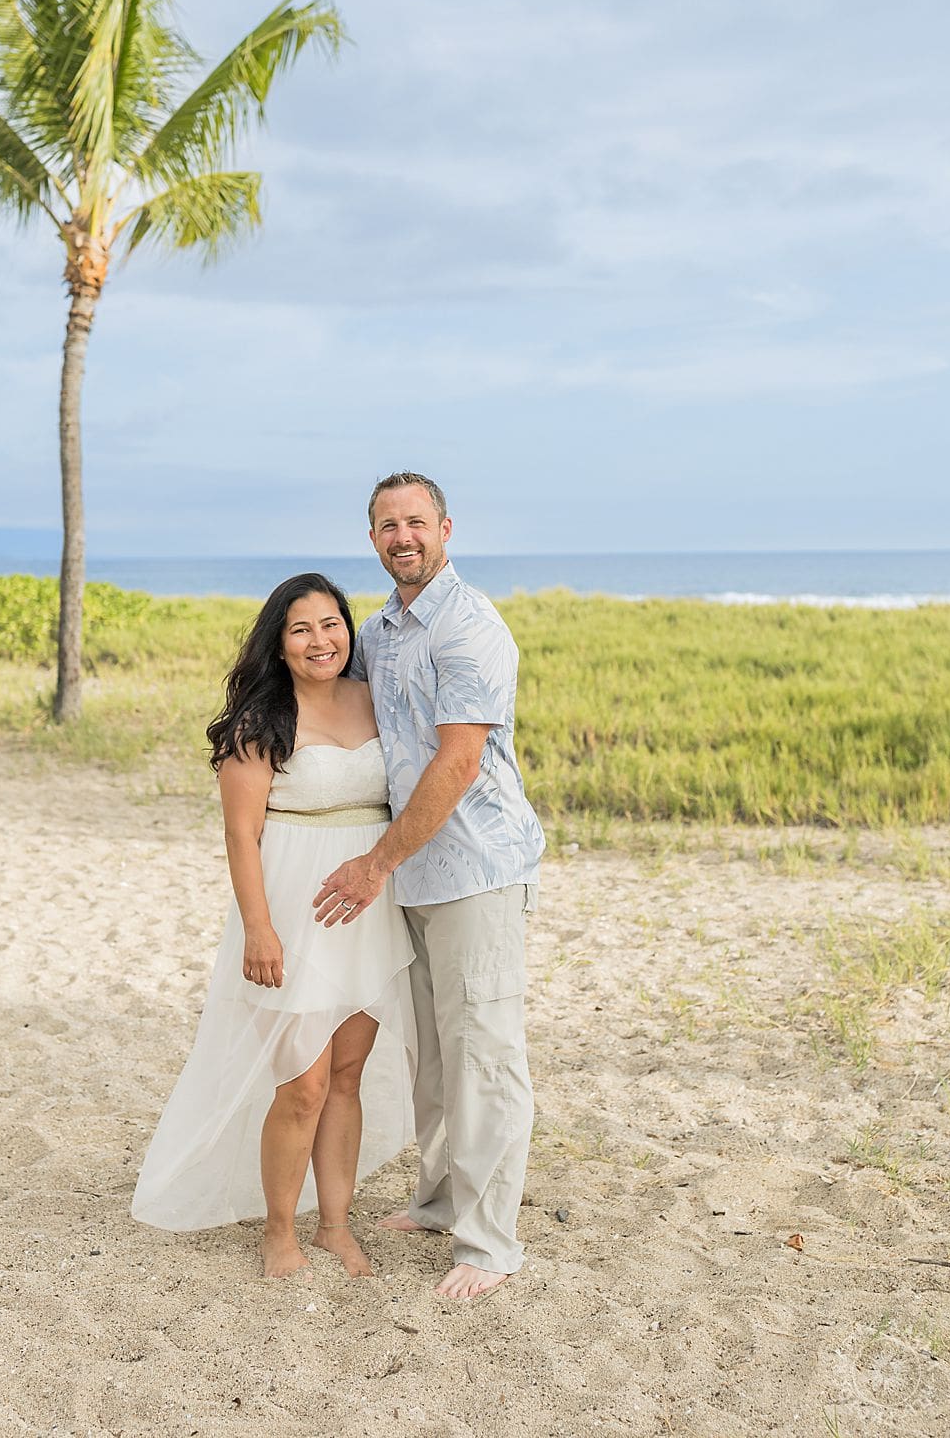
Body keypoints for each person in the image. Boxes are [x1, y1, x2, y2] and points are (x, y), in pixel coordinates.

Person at [131, 573, 416, 1279]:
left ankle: (336, 1226)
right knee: (304, 1086)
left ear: (348, 631)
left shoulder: (375, 702)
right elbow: (239, 836)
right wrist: (259, 930)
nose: (321, 640)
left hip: (368, 910)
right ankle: (279, 1233)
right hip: (291, 912)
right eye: (301, 629)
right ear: (279, 644)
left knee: (347, 1076)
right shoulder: (258, 724)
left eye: (331, 625)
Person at [313, 473, 545, 1302]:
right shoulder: (380, 629)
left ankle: (489, 1243)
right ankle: (444, 1199)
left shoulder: (468, 625)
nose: (402, 536)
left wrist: (373, 863)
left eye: (415, 522)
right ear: (371, 538)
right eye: (386, 525)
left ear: (446, 527)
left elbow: (457, 761)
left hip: (476, 868)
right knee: (435, 1054)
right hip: (413, 875)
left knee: (485, 1053)